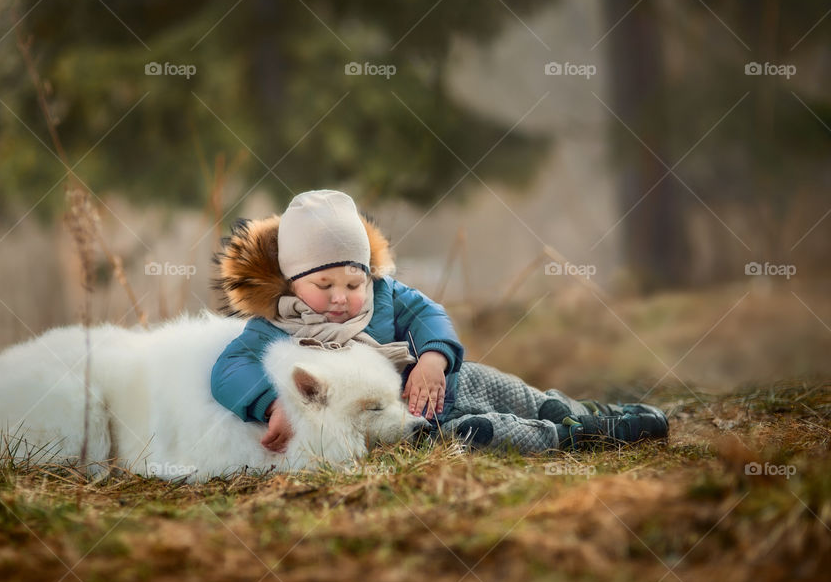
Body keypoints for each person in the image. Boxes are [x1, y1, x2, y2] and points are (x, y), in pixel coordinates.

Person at [210, 190, 668, 454]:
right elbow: (230, 368)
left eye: (353, 283)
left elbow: (429, 314)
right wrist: (271, 404)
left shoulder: (386, 296)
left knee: (509, 390)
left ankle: (583, 412)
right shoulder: (275, 326)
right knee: (484, 433)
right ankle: (572, 438)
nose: (340, 298)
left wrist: (433, 357)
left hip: (434, 384)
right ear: (291, 282)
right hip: (404, 422)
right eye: (323, 284)